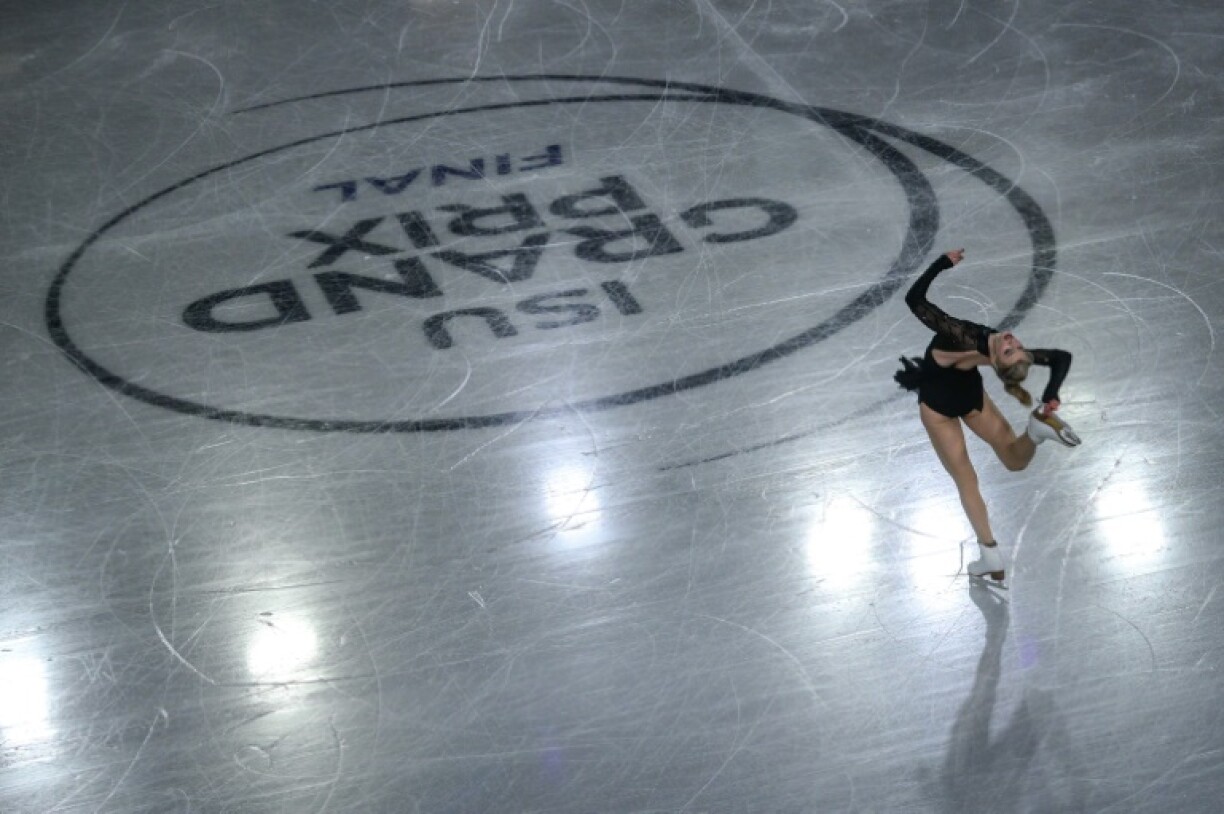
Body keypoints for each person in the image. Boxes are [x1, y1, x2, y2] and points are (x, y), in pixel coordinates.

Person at [895, 248, 1080, 582]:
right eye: (1015, 346)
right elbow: (1061, 358)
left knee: (970, 479)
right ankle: (1035, 430)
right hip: (970, 397)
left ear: (997, 362)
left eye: (1011, 350)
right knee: (1013, 460)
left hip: (939, 408)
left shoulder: (962, 336)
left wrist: (940, 264)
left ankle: (990, 556)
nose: (1011, 340)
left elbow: (914, 299)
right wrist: (1051, 392)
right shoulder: (994, 351)